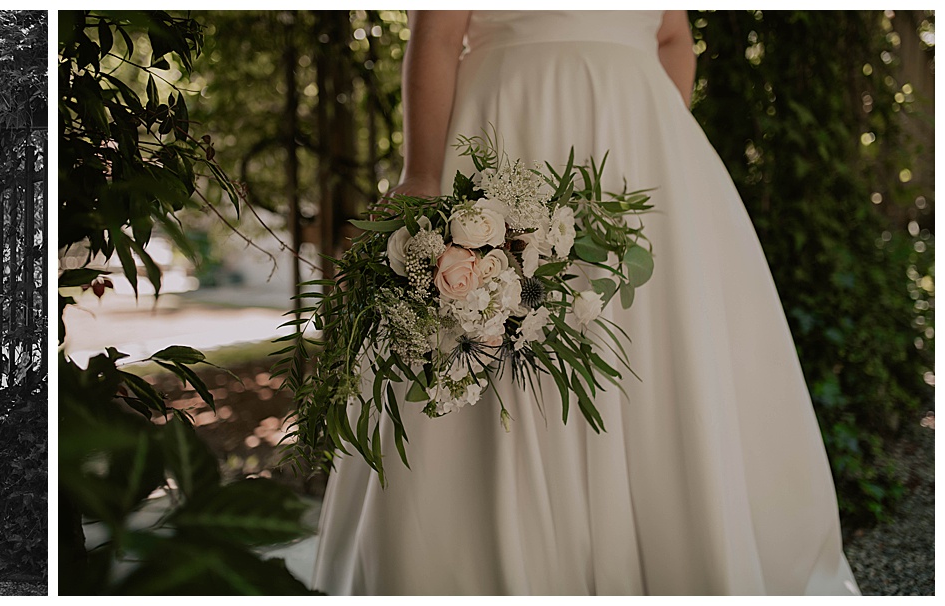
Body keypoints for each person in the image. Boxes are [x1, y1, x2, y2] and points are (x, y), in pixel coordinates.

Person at [312, 11, 860, 595]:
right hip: (506, 130)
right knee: (496, 327)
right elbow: (437, 34)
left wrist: (657, 138)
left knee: (657, 343)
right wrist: (421, 171)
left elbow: (673, 38)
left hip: (643, 157)